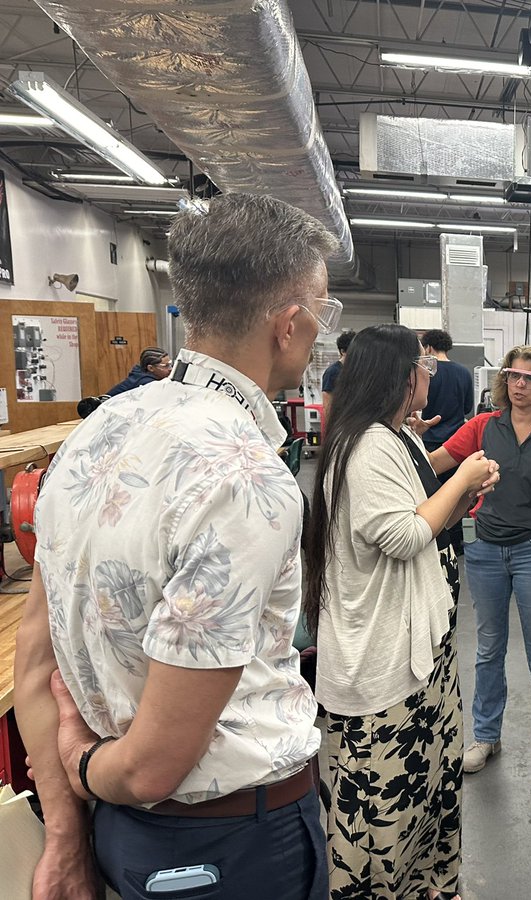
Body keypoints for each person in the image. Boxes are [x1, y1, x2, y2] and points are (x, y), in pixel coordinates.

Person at [13, 193, 339, 900]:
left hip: (123, 837)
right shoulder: (245, 478)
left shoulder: (99, 430)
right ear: (288, 324)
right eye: (321, 308)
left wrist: (66, 834)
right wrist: (82, 765)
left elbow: (37, 660)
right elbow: (151, 767)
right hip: (228, 847)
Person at [303, 324, 498, 900]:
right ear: (401, 375)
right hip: (384, 659)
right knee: (384, 803)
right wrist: (461, 477)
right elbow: (403, 536)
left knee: (431, 787)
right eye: (423, 365)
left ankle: (430, 884)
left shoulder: (397, 437)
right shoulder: (366, 446)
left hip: (423, 648)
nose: (429, 374)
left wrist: (463, 496)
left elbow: (424, 519)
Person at [422, 345, 531, 814]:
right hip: (485, 551)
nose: (520, 384)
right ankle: (485, 736)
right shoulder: (482, 427)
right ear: (504, 381)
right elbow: (434, 463)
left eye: (530, 378)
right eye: (514, 376)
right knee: (488, 649)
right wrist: (404, 438)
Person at [419, 328, 476, 552]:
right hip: (458, 443)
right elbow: (467, 407)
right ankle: (457, 545)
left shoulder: (426, 372)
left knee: (433, 496)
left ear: (428, 347)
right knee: (458, 493)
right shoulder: (463, 373)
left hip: (430, 443)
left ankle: (436, 542)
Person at [105, 346, 172, 396]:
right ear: (151, 368)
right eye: (166, 366)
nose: (170, 369)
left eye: (170, 364)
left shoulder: (142, 371)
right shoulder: (145, 382)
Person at [321, 328, 356, 409]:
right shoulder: (332, 372)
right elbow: (327, 403)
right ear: (343, 351)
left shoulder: (357, 370)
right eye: (353, 351)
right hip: (341, 415)